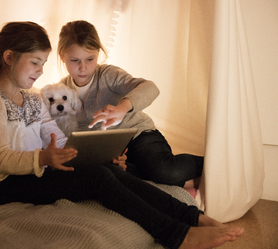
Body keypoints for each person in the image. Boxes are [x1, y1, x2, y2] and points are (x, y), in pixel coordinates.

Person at [0, 21, 243, 249]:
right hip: (10, 184)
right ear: (9, 57)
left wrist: (86, 154)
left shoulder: (33, 97)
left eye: (43, 64)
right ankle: (178, 238)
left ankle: (192, 218)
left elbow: (52, 131)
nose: (40, 71)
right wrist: (42, 158)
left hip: (43, 169)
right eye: (35, 63)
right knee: (98, 179)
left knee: (108, 169)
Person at [57, 20, 204, 188]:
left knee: (165, 171)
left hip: (138, 134)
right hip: (109, 151)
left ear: (98, 53)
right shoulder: (61, 92)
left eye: (90, 59)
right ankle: (182, 182)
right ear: (62, 56)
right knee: (114, 177)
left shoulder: (108, 75)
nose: (83, 67)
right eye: (75, 60)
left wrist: (123, 107)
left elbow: (150, 88)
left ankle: (209, 164)